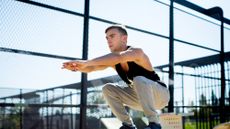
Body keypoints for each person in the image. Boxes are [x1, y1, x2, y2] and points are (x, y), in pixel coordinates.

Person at [62, 24, 170, 129]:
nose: (108, 40)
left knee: (139, 79)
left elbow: (120, 57)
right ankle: (128, 125)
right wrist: (76, 67)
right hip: (140, 99)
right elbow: (92, 68)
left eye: (112, 36)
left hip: (160, 95)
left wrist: (86, 62)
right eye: (107, 38)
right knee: (107, 88)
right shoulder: (114, 62)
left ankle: (154, 124)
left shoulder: (137, 52)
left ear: (124, 38)